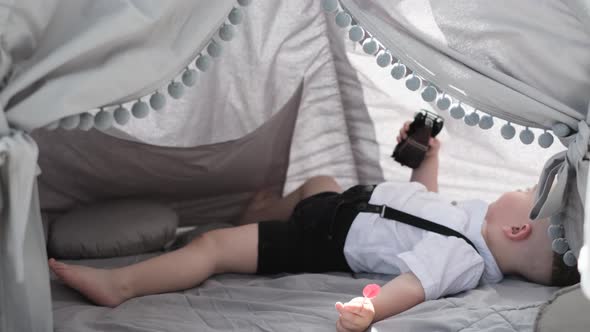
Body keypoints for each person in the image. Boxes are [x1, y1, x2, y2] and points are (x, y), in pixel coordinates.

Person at [48, 121, 580, 332]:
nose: (519, 189)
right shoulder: (470, 220)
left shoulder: (463, 260)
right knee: (317, 180)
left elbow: (412, 286)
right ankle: (259, 212)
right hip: (341, 203)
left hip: (323, 240)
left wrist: (370, 310)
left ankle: (121, 285)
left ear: (518, 231)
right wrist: (427, 156)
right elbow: (425, 203)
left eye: (527, 194)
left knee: (213, 247)